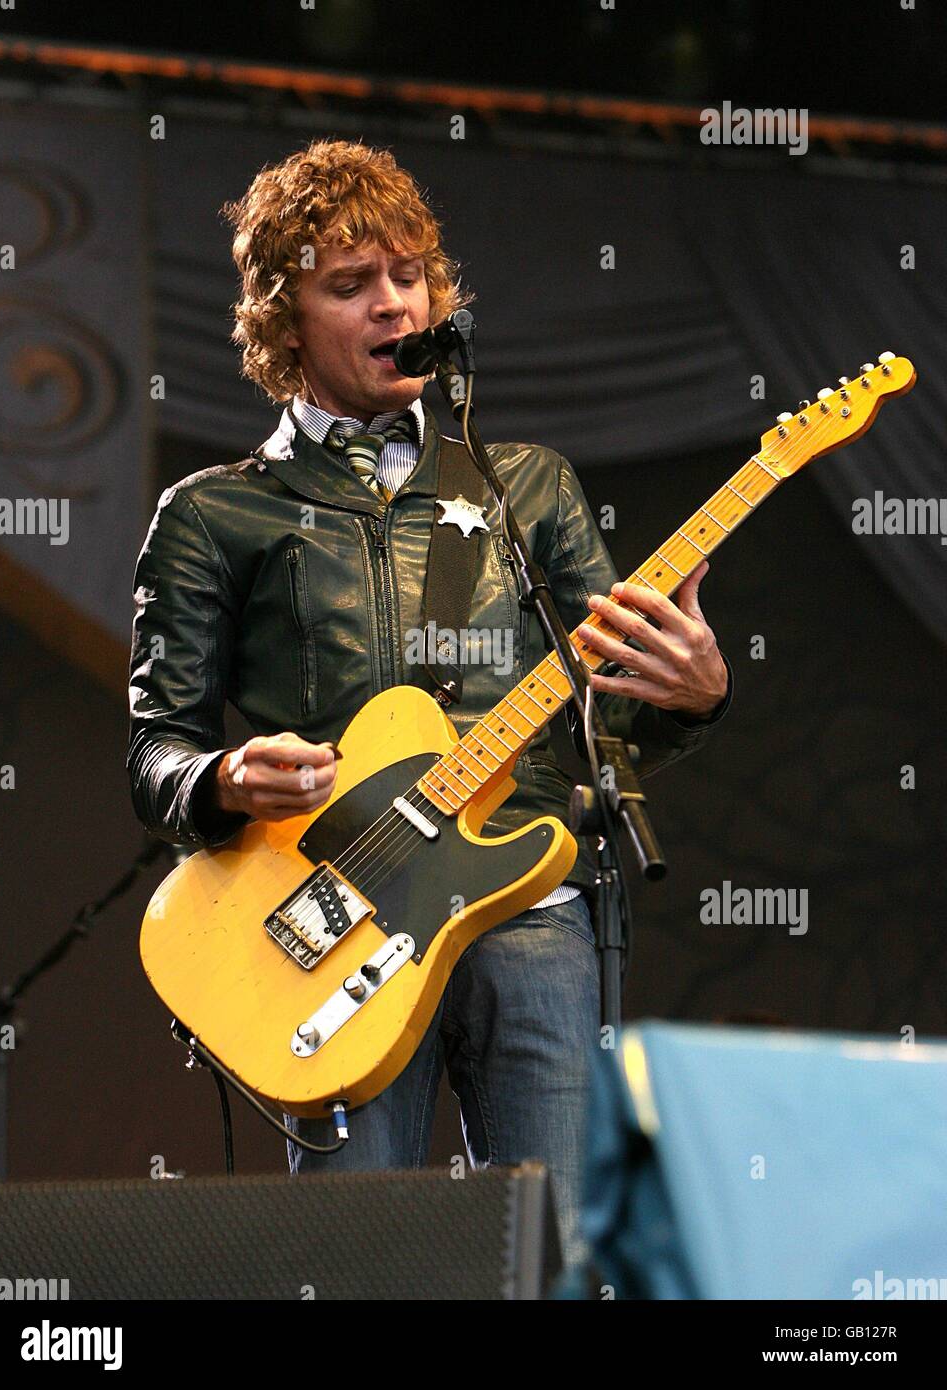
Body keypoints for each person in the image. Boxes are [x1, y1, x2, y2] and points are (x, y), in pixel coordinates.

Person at [127, 138, 732, 1267]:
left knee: (553, 1253)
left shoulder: (526, 484)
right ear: (281, 318)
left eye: (407, 274)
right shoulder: (215, 514)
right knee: (363, 1264)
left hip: (526, 904)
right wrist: (219, 779)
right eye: (349, 284)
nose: (392, 301)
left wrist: (691, 695)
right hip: (329, 918)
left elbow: (612, 715)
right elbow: (155, 752)